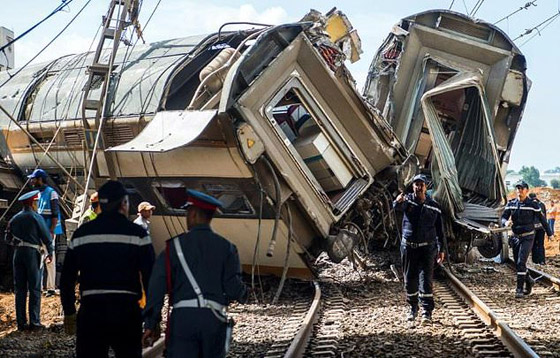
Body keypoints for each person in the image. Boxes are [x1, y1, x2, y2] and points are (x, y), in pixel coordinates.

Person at [142, 189, 248, 358]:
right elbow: (233, 287)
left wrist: (151, 323)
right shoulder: (227, 248)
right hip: (213, 320)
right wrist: (244, 294)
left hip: (183, 320)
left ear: (193, 214)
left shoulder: (173, 247)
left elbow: (157, 286)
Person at [60, 180, 155, 358]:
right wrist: (152, 318)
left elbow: (67, 277)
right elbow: (151, 277)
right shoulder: (138, 234)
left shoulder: (82, 234)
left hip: (91, 311)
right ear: (124, 203)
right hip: (126, 312)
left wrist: (69, 311)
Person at [393, 174, 445, 324]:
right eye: (416, 184)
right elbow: (397, 207)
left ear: (425, 187)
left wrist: (441, 249)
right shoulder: (407, 201)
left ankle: (427, 312)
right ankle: (413, 308)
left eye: (421, 184)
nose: (419, 187)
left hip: (427, 249)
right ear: (413, 186)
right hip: (409, 248)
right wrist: (397, 202)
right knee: (410, 279)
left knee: (426, 280)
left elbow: (440, 230)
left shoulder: (434, 206)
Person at [5, 190, 53, 331]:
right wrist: (50, 252)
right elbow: (46, 237)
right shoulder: (36, 217)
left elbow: (7, 238)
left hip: (17, 254)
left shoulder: (14, 218)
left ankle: (21, 323)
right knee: (34, 288)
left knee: (20, 289)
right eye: (36, 202)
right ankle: (35, 322)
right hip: (32, 254)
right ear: (33, 203)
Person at [501, 181, 553, 298]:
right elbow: (503, 217)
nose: (519, 191)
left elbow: (543, 220)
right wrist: (505, 222)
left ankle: (519, 289)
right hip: (515, 237)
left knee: (521, 262)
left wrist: (550, 233)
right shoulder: (511, 204)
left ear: (527, 191)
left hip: (528, 237)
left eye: (522, 189)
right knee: (518, 264)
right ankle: (529, 279)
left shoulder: (533, 205)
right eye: (518, 189)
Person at [27, 168, 63, 297]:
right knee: (39, 258)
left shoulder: (51, 193)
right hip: (41, 230)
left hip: (48, 230)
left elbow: (55, 214)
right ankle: (39, 287)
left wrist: (52, 231)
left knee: (50, 258)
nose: (31, 181)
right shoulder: (39, 193)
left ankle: (51, 287)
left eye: (33, 179)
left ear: (40, 179)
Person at [529, 193, 547, 264]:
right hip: (542, 227)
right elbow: (545, 216)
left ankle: (535, 260)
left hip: (533, 228)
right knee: (540, 244)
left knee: (533, 244)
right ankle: (542, 261)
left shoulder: (530, 204)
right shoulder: (542, 204)